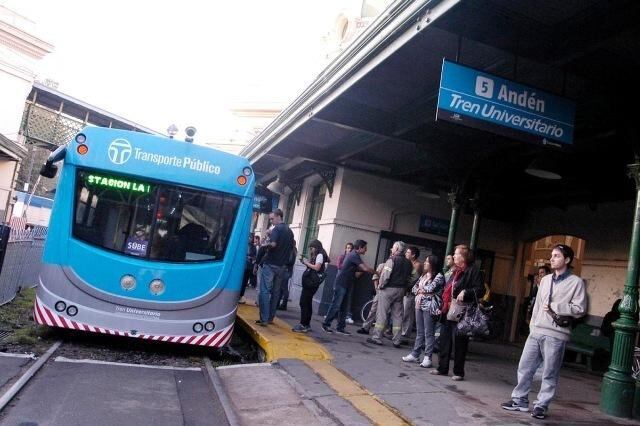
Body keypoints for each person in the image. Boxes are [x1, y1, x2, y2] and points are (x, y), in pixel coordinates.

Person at [501, 244, 587, 420]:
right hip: (537, 330)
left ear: (567, 260)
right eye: (552, 255)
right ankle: (519, 400)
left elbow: (580, 309)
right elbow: (538, 305)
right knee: (525, 366)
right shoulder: (546, 280)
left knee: (549, 372)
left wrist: (556, 306)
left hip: (556, 334)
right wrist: (533, 324)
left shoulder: (576, 282)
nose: (552, 258)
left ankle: (541, 405)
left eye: (556, 256)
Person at [431, 244, 483, 381]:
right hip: (448, 309)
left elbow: (480, 290)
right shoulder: (455, 270)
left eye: (456, 253)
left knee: (460, 342)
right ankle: (442, 367)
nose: (453, 256)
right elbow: (448, 289)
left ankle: (458, 372)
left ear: (463, 257)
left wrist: (466, 292)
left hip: (462, 312)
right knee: (444, 339)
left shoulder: (473, 271)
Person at [322, 239, 375, 334]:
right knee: (336, 305)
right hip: (341, 284)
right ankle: (326, 325)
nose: (366, 250)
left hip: (347, 284)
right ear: (359, 248)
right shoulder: (354, 255)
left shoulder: (355, 255)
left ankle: (340, 328)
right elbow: (364, 268)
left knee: (344, 307)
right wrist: (377, 272)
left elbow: (359, 268)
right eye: (365, 248)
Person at [366, 241, 413, 347]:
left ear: (396, 249)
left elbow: (385, 276)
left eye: (393, 248)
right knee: (398, 316)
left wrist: (381, 286)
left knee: (382, 313)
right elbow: (410, 278)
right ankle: (397, 340)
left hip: (388, 289)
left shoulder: (391, 260)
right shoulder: (409, 263)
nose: (391, 249)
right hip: (401, 291)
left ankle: (377, 337)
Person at [402, 255, 445, 368]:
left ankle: (428, 357)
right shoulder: (423, 275)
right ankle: (415, 354)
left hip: (430, 306)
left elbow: (431, 288)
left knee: (428, 333)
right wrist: (422, 291)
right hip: (419, 304)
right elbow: (414, 288)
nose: (425, 263)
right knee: (420, 332)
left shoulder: (439, 276)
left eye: (427, 262)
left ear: (433, 264)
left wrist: (422, 291)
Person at [256, 209, 294, 326]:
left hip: (271, 264)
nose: (271, 221)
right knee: (276, 293)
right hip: (282, 266)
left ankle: (264, 319)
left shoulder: (276, 229)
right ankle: (271, 318)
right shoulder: (290, 231)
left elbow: (273, 244)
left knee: (264, 291)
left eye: (272, 218)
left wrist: (264, 245)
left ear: (279, 216)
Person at [292, 239, 329, 333]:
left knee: (304, 302)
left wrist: (306, 262)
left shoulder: (320, 255)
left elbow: (317, 267)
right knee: (307, 303)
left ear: (316, 247)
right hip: (309, 283)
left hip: (311, 283)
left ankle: (303, 324)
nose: (311, 250)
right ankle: (306, 324)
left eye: (312, 248)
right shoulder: (317, 255)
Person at [356, 263, 385, 335]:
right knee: (373, 310)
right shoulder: (383, 265)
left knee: (385, 313)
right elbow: (375, 276)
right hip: (381, 291)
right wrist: (376, 288)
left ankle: (381, 332)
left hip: (389, 292)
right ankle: (366, 328)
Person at [401, 246, 423, 343]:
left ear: (413, 255)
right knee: (403, 312)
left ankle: (405, 335)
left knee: (407, 313)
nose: (406, 253)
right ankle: (400, 332)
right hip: (405, 291)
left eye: (408, 252)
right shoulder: (407, 263)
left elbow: (413, 279)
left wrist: (405, 287)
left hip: (410, 292)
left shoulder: (417, 265)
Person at [278, 239, 298, 310]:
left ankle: (283, 305)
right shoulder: (293, 250)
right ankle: (279, 303)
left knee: (283, 288)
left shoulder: (291, 251)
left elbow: (289, 261)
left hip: (286, 270)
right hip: (287, 271)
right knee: (282, 287)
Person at [239, 233, 256, 304]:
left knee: (245, 282)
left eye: (251, 237)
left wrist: (253, 260)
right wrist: (247, 257)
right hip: (243, 266)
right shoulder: (243, 245)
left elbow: (255, 256)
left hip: (249, 266)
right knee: (241, 282)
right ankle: (238, 295)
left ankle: (241, 296)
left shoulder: (253, 247)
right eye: (249, 237)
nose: (250, 239)